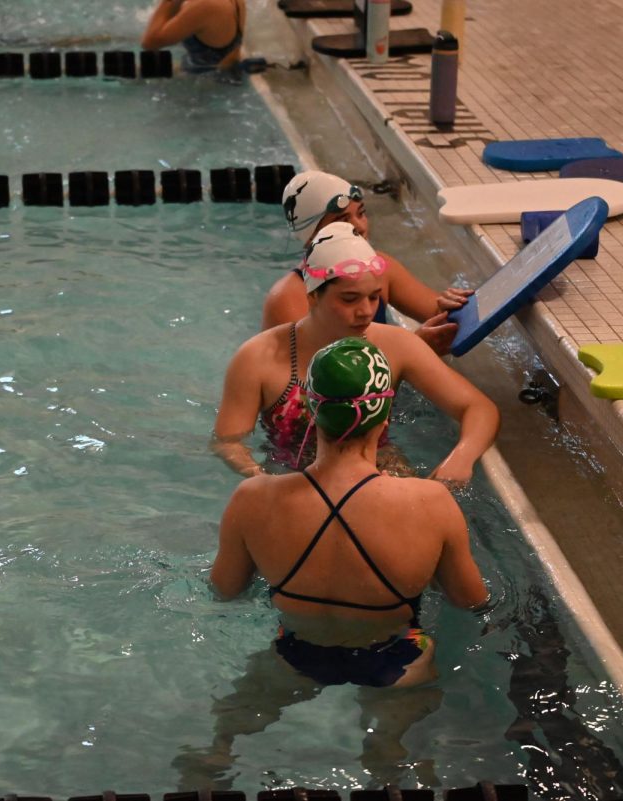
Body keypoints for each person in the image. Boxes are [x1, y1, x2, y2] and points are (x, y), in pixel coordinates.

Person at [174, 337, 488, 787]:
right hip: (400, 660)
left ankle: (217, 756)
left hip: (295, 653)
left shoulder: (254, 499)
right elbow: (470, 600)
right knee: (392, 751)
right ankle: (386, 756)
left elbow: (224, 590)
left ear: (308, 407)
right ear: (385, 413)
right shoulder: (430, 502)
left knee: (232, 722)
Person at [214, 221, 499, 482]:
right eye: (349, 299)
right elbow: (228, 441)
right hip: (292, 479)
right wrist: (261, 478)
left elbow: (479, 408)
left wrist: (461, 459)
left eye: (374, 297)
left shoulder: (395, 345)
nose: (366, 312)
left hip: (378, 472)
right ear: (313, 295)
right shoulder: (257, 358)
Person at [265, 170, 473, 355]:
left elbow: (448, 320)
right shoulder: (289, 297)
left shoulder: (380, 267)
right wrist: (412, 349)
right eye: (343, 220)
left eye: (361, 213)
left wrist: (453, 306)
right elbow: (315, 384)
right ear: (310, 235)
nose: (360, 227)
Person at [141, 0, 245, 74]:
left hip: (209, 81)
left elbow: (149, 43)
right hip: (223, 69)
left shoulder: (204, 5)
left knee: (132, 71)